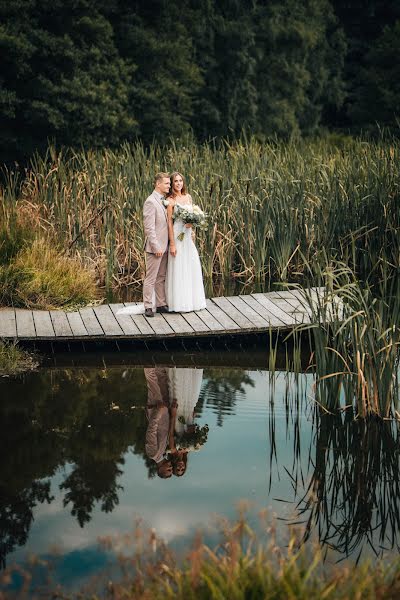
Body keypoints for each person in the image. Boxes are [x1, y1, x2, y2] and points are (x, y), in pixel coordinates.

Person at [166, 172, 207, 312]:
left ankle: (193, 301)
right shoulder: (170, 201)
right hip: (178, 236)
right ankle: (179, 303)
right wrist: (172, 244)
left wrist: (192, 223)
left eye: (180, 181)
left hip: (188, 237)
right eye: (176, 181)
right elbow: (170, 224)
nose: (178, 183)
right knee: (179, 266)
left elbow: (193, 216)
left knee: (191, 265)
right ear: (172, 184)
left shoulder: (188, 197)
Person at [142, 172, 171, 318]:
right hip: (155, 248)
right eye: (166, 183)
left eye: (169, 183)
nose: (169, 186)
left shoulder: (164, 200)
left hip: (165, 246)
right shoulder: (150, 201)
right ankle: (148, 306)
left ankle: (160, 304)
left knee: (161, 277)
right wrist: (155, 247)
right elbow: (149, 228)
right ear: (157, 184)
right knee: (151, 278)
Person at [144, 367, 176, 478]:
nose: (171, 467)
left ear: (160, 469)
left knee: (152, 381)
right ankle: (159, 358)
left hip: (157, 408)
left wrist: (158, 411)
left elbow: (151, 431)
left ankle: (147, 361)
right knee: (162, 379)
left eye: (168, 470)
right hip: (165, 410)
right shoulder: (164, 452)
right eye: (172, 469)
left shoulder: (153, 454)